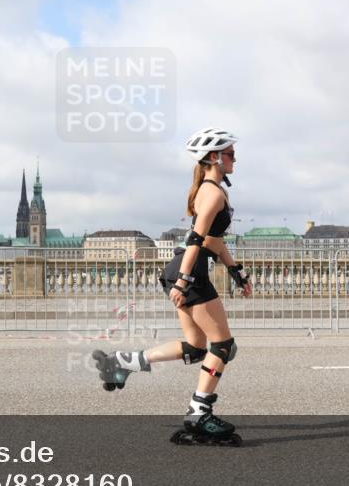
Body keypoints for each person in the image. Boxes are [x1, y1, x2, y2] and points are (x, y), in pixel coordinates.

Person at [92, 128, 252, 446]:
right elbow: (195, 240)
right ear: (214, 157)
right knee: (222, 347)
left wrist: (235, 272)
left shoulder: (213, 190)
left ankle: (120, 363)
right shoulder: (214, 193)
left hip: (182, 268)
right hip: (189, 271)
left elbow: (213, 241)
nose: (236, 158)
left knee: (195, 347)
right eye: (231, 153)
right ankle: (199, 413)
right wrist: (184, 281)